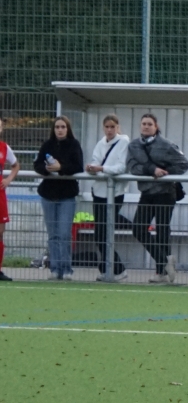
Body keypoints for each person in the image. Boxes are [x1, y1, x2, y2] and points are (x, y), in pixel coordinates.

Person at [128, 114, 188, 284]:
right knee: (138, 228)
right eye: (143, 124)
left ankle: (161, 273)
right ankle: (164, 260)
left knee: (162, 230)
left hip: (165, 192)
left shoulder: (167, 145)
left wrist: (165, 172)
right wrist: (151, 170)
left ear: (156, 126)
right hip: (147, 192)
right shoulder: (134, 145)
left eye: (149, 124)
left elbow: (183, 164)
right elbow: (132, 167)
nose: (146, 126)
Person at [33, 115, 84, 280]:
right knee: (53, 234)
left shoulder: (74, 145)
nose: (60, 130)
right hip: (48, 194)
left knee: (64, 233)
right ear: (53, 129)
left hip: (67, 195)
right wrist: (47, 169)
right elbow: (37, 164)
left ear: (67, 129)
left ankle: (66, 268)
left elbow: (78, 166)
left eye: (63, 127)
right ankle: (54, 268)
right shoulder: (47, 145)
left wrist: (61, 167)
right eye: (57, 127)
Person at [84, 114, 132, 278]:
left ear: (118, 127)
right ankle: (108, 268)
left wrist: (102, 169)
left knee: (105, 231)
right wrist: (92, 168)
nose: (110, 130)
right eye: (107, 127)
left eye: (113, 127)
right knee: (99, 233)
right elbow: (96, 161)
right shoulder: (100, 143)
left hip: (115, 193)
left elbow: (121, 167)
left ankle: (115, 269)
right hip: (98, 192)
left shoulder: (124, 142)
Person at [0, 114, 17, 281]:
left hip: (0, 195)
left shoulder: (4, 147)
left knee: (0, 232)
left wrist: (9, 179)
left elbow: (16, 165)